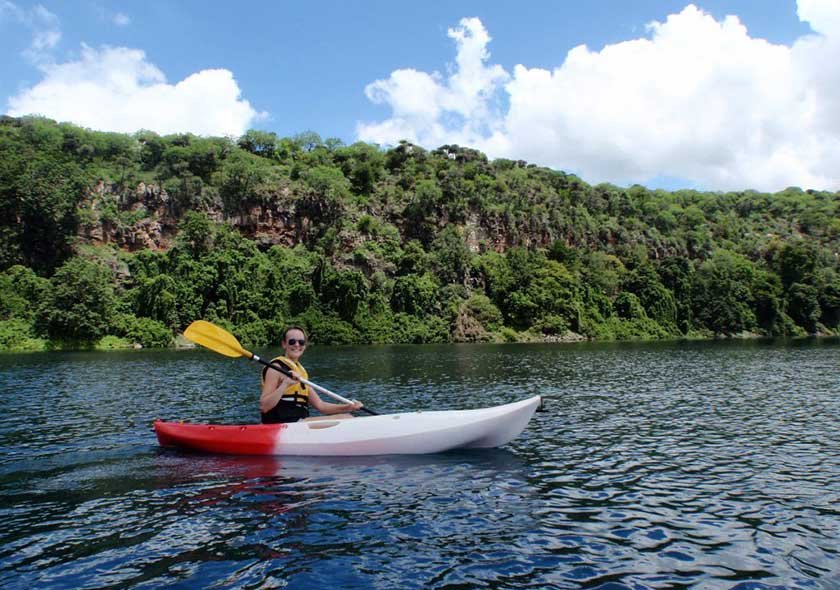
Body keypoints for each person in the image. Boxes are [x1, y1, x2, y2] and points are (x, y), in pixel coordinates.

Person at [260, 326, 363, 424]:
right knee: (347, 419)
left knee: (347, 415)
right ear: (284, 344)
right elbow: (264, 406)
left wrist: (348, 407)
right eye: (292, 341)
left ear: (305, 346)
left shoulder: (300, 373)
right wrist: (285, 384)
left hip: (299, 423)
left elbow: (321, 406)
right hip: (281, 424)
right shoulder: (275, 368)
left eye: (301, 342)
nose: (297, 345)